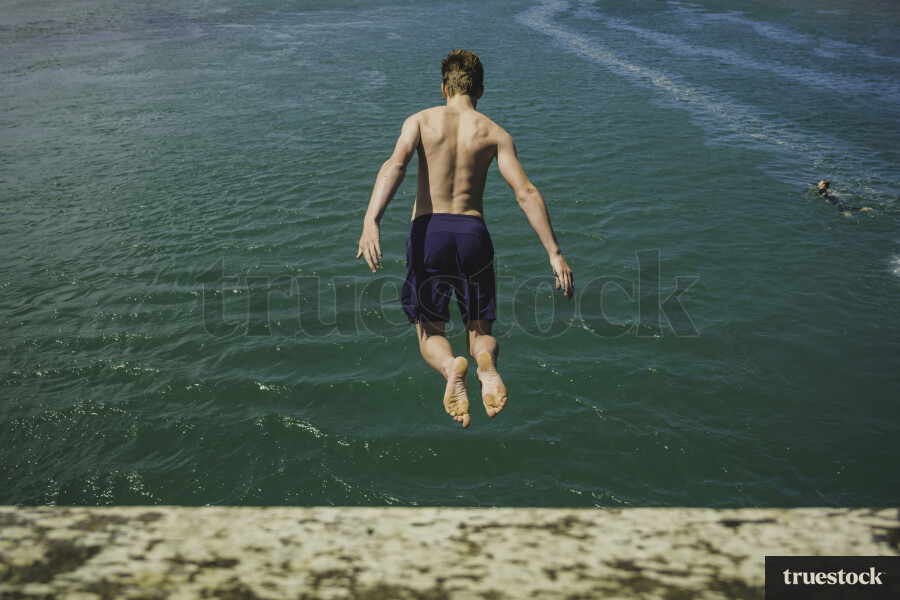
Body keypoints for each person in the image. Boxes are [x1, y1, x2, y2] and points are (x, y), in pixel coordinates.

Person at [356, 49, 574, 428]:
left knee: (430, 332)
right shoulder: (495, 133)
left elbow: (396, 165)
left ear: (444, 88)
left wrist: (371, 220)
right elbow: (525, 192)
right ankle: (483, 360)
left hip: (430, 232)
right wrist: (554, 253)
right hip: (473, 234)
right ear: (481, 91)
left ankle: (449, 366)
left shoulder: (421, 121)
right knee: (479, 330)